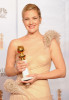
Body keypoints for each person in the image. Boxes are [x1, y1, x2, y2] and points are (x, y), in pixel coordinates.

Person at [4, 3, 66, 100]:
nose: (31, 22)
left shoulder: (50, 42)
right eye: (27, 19)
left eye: (34, 18)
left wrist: (38, 76)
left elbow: (62, 71)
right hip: (19, 95)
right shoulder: (15, 43)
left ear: (40, 19)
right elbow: (8, 71)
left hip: (41, 95)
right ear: (23, 21)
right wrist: (16, 69)